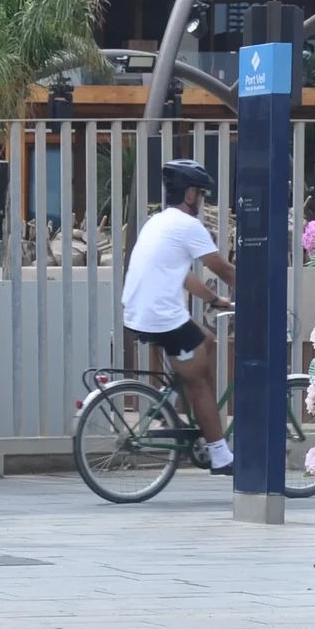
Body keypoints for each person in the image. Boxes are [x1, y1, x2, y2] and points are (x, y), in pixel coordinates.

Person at [119, 159, 238, 474]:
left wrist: (214, 299)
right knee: (198, 381)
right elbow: (222, 268)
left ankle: (184, 408)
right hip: (160, 316)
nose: (202, 200)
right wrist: (257, 294)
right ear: (189, 193)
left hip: (139, 310)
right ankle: (221, 456)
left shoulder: (158, 221)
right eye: (200, 193)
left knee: (208, 342)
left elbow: (184, 276)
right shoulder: (188, 226)